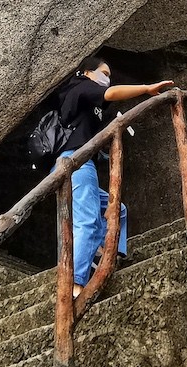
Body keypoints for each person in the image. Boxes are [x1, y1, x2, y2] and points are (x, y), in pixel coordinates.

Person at [55, 54, 174, 298]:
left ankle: (108, 254)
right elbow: (110, 93)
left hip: (78, 163)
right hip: (75, 163)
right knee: (88, 221)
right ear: (87, 73)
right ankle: (75, 285)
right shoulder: (81, 87)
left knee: (117, 209)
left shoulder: (87, 103)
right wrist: (146, 89)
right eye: (104, 74)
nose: (107, 80)